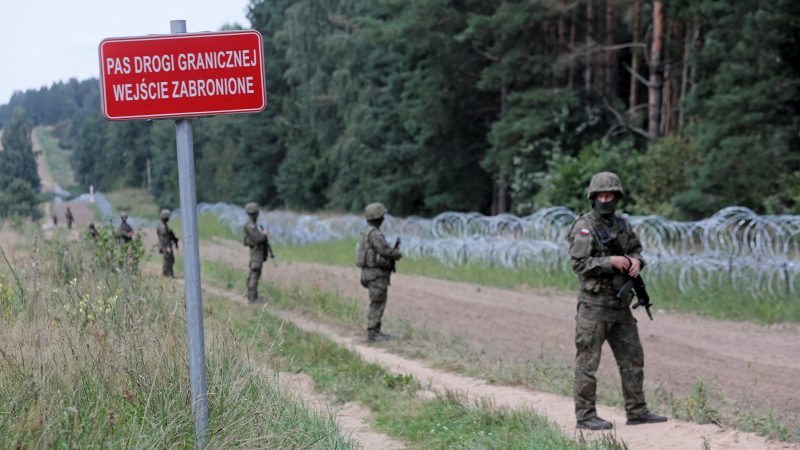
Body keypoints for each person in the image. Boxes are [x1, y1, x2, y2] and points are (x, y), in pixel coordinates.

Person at [567, 171, 667, 430]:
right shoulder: (584, 227)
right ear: (593, 197)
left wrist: (636, 262)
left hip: (620, 306)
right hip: (594, 306)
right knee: (588, 362)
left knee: (633, 358)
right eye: (601, 194)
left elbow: (636, 250)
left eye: (610, 194)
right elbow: (579, 264)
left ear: (617, 196)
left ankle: (637, 411)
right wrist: (610, 261)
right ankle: (586, 415)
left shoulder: (623, 225)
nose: (605, 198)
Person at [356, 203, 401, 342]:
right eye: (382, 216)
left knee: (376, 301)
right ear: (378, 218)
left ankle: (374, 331)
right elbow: (386, 251)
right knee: (377, 302)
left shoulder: (366, 232)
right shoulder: (375, 234)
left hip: (369, 273)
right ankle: (373, 333)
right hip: (376, 274)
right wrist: (397, 253)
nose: (383, 219)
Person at [242, 202, 271, 303]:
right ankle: (253, 298)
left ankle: (252, 295)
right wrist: (264, 235)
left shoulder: (253, 224)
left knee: (254, 273)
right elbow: (257, 238)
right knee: (255, 273)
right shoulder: (250, 225)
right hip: (256, 253)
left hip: (257, 252)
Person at [156, 209, 179, 277]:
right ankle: (167, 273)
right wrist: (167, 247)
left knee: (169, 259)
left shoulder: (163, 225)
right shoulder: (162, 226)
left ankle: (168, 273)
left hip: (166, 245)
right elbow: (164, 238)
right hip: (165, 245)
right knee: (168, 259)